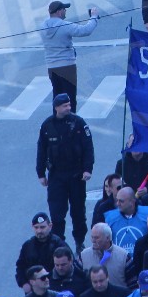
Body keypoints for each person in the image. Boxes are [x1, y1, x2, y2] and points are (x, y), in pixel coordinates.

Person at [37, 92, 95, 250]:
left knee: (78, 212)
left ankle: (79, 241)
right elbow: (41, 150)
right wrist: (41, 173)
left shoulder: (78, 123)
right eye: (65, 106)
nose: (68, 108)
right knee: (57, 213)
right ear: (56, 108)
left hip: (76, 175)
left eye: (69, 105)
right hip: (56, 176)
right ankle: (59, 244)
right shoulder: (47, 126)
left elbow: (88, 147)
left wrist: (87, 169)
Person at [41, 0, 100, 110]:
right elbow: (85, 31)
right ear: (59, 12)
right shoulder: (64, 25)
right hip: (67, 66)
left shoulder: (43, 26)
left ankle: (57, 122)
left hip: (51, 67)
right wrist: (94, 17)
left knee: (57, 98)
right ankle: (70, 122)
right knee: (70, 99)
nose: (65, 11)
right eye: (64, 9)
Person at [15, 212, 65, 293]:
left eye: (42, 227)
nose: (39, 231)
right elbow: (20, 267)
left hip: (54, 289)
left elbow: (67, 266)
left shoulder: (59, 245)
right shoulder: (27, 246)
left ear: (50, 226)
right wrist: (24, 283)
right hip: (33, 291)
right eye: (36, 227)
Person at [106, 186, 148, 258]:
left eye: (121, 201)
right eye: (117, 200)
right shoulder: (110, 218)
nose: (118, 204)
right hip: (120, 263)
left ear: (132, 202)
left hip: (144, 261)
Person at [80, 223, 129, 288]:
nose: (93, 241)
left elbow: (133, 284)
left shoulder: (124, 257)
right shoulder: (83, 256)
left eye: (97, 238)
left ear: (107, 238)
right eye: (92, 237)